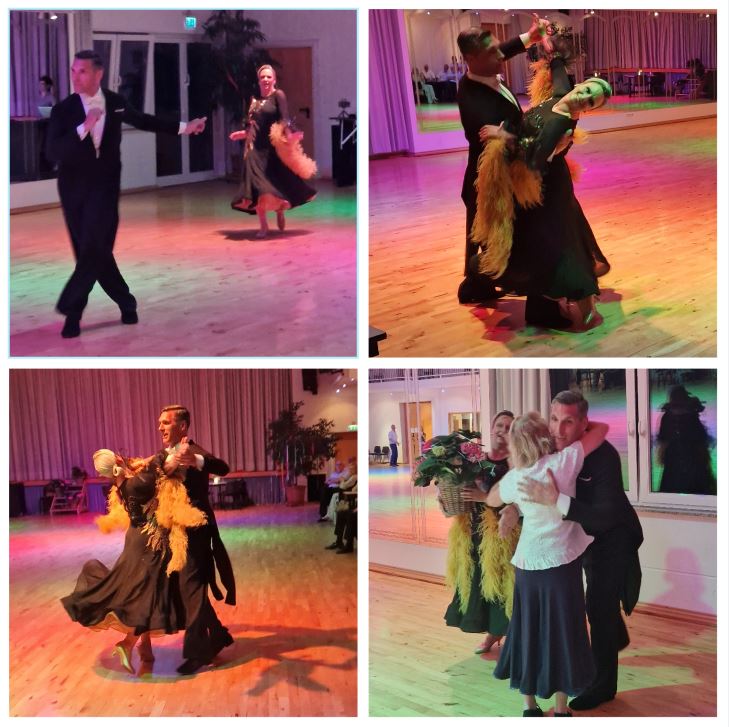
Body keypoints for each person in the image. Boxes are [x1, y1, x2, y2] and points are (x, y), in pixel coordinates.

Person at [46, 50, 206, 339]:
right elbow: (53, 152)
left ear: (98, 74)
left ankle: (72, 311)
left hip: (105, 188)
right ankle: (126, 301)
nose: (75, 77)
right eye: (73, 70)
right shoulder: (63, 110)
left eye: (82, 71)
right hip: (73, 191)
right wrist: (85, 126)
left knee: (93, 248)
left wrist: (186, 127)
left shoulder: (116, 103)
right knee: (93, 252)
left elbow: (145, 121)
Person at [513, 390, 644, 710]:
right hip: (580, 535)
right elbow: (530, 484)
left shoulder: (604, 456)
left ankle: (602, 687)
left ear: (584, 423)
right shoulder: (551, 449)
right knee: (598, 604)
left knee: (598, 605)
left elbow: (605, 514)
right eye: (554, 419)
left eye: (568, 422)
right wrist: (511, 509)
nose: (558, 429)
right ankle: (613, 635)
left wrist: (555, 500)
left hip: (611, 536)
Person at [473, 39, 612, 330]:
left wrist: (503, 136)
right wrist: (548, 44)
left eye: (591, 101)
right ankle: (558, 301)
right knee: (552, 241)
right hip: (546, 184)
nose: (584, 97)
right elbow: (558, 62)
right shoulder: (561, 94)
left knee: (555, 244)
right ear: (580, 84)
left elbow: (534, 160)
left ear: (589, 109)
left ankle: (576, 299)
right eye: (587, 90)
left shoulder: (561, 122)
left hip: (546, 188)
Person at [485, 411, 609, 716]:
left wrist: (512, 492)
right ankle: (562, 710)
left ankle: (529, 706)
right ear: (544, 436)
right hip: (561, 565)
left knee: (528, 631)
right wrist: (574, 427)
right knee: (564, 633)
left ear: (516, 445)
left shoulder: (517, 478)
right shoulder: (563, 462)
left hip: (528, 565)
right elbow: (601, 429)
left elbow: (491, 499)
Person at [61, 449, 205, 676]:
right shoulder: (137, 484)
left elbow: (148, 470)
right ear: (117, 460)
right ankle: (128, 644)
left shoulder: (122, 486)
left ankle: (139, 648)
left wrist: (130, 464)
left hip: (138, 541)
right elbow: (159, 462)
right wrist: (172, 452)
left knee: (141, 594)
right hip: (148, 545)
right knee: (148, 595)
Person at [454, 14, 549, 306]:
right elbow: (494, 140)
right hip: (489, 183)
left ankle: (487, 283)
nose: (500, 55)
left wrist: (531, 36)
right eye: (491, 52)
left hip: (507, 175)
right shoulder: (472, 100)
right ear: (471, 59)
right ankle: (480, 285)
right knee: (494, 238)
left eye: (498, 48)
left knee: (499, 237)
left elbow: (503, 48)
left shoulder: (486, 64)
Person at [157, 404, 236, 674]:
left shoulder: (192, 450)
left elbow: (223, 467)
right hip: (175, 531)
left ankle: (197, 652)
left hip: (196, 530)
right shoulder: (165, 454)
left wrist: (197, 461)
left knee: (191, 588)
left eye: (166, 422)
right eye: (160, 422)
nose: (160, 427)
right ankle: (217, 634)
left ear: (182, 426)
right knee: (188, 589)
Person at [445, 411, 518, 655]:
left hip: (500, 534)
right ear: (492, 427)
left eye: (508, 427)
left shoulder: (514, 464)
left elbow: (516, 499)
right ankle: (492, 634)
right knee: (478, 580)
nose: (502, 430)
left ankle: (501, 635)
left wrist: (484, 496)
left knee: (500, 584)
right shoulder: (475, 460)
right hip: (472, 529)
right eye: (499, 425)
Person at [230, 64, 316, 238]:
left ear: (274, 80)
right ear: (258, 81)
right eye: (262, 77)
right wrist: (242, 134)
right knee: (257, 185)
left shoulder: (278, 95)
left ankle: (279, 209)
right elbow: (251, 124)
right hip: (253, 149)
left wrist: (289, 134)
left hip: (271, 148)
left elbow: (285, 118)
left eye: (269, 77)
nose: (266, 79)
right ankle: (263, 225)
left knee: (276, 183)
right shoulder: (254, 100)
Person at [656, 385, 716, 495]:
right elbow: (700, 439)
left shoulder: (668, 417)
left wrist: (661, 454)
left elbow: (663, 439)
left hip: (676, 459)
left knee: (670, 490)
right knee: (698, 489)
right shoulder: (691, 416)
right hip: (693, 459)